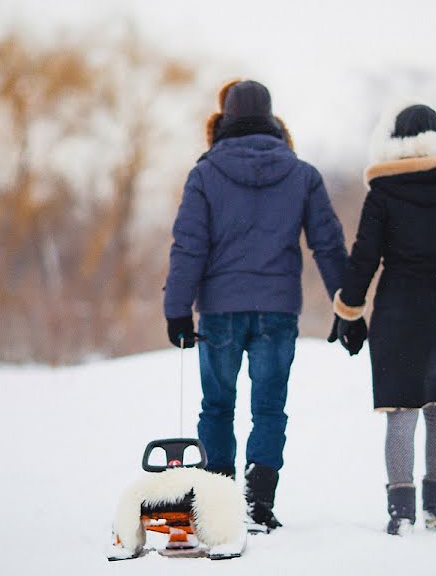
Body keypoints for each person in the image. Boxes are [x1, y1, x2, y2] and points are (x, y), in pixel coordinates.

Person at [163, 79, 348, 532]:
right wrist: (347, 307)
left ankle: (219, 502)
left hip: (219, 311)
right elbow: (328, 244)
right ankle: (258, 504)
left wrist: (177, 308)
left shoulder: (204, 173)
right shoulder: (302, 173)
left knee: (216, 406)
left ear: (224, 119)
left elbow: (189, 246)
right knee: (269, 408)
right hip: (277, 310)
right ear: (271, 117)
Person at [330, 104, 436, 534]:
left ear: (396, 141)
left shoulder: (384, 190)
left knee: (401, 411)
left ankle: (400, 511)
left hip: (399, 310)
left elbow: (365, 257)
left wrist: (349, 312)